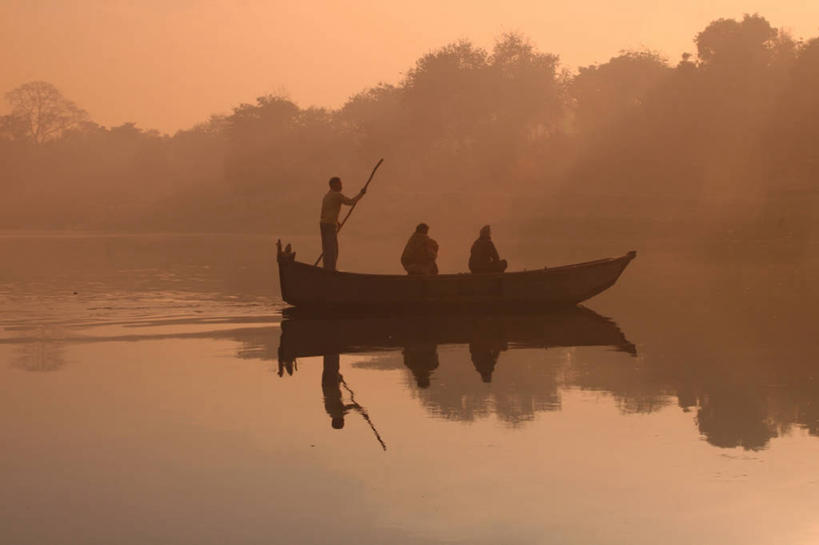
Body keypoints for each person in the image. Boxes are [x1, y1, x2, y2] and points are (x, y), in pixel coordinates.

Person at [319, 176, 364, 271]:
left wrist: (337, 222)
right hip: (329, 226)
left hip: (324, 224)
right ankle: (330, 270)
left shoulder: (326, 196)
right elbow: (350, 202)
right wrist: (361, 194)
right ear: (333, 185)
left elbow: (326, 212)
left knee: (327, 249)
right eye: (339, 183)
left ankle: (327, 268)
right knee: (333, 250)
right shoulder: (336, 195)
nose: (341, 185)